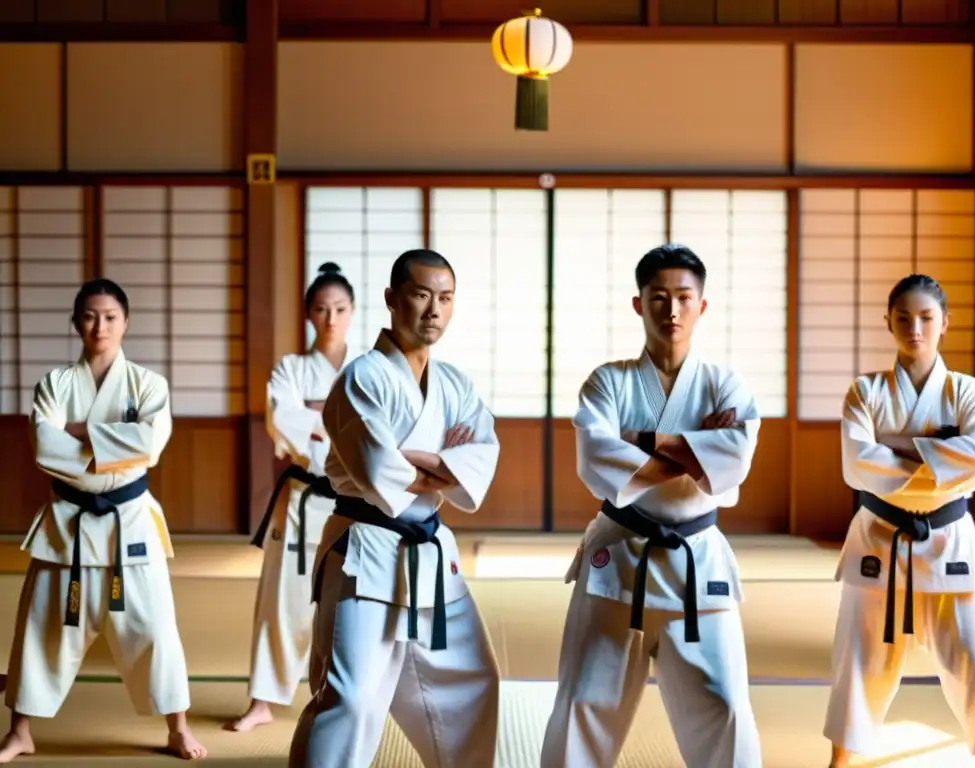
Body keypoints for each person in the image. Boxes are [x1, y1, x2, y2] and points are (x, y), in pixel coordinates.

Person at [540, 244, 763, 768]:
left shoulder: (724, 385)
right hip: (619, 555)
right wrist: (692, 450)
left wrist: (638, 442)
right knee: (584, 705)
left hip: (697, 561)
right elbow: (596, 456)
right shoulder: (607, 381)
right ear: (638, 304)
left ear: (701, 306)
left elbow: (733, 460)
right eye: (658, 297)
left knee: (726, 706)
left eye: (684, 297)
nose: (672, 310)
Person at [288, 249, 501, 768]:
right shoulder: (363, 378)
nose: (434, 309)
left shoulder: (454, 383)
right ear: (391, 299)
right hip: (367, 548)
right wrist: (448, 464)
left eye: (445, 298)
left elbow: (484, 454)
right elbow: (380, 471)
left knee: (474, 683)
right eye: (422, 294)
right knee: (352, 699)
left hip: (429, 551)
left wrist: (427, 462)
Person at [0, 279, 206, 762]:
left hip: (128, 522)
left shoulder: (149, 384)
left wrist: (79, 434)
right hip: (67, 524)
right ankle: (21, 731)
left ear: (126, 322)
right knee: (40, 627)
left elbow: (149, 446)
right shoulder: (54, 383)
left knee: (155, 626)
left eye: (111, 316)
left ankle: (177, 727)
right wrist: (112, 441)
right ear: (76, 323)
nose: (101, 325)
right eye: (90, 316)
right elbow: (44, 447)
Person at [824, 274, 975, 768]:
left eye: (927, 318)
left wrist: (896, 449)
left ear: (944, 324)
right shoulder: (865, 391)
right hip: (878, 541)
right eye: (904, 317)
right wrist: (937, 456)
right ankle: (838, 764)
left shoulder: (969, 393)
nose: (915, 328)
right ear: (888, 322)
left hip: (949, 540)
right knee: (858, 666)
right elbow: (857, 465)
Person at [228, 263, 354, 732]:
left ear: (353, 311)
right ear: (308, 314)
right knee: (283, 598)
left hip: (355, 502)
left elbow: (379, 430)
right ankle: (264, 699)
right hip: (303, 497)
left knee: (355, 599)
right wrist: (338, 426)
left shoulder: (368, 368)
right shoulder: (291, 368)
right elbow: (284, 419)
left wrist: (319, 416)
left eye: (340, 309)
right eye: (321, 309)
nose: (331, 319)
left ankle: (343, 694)